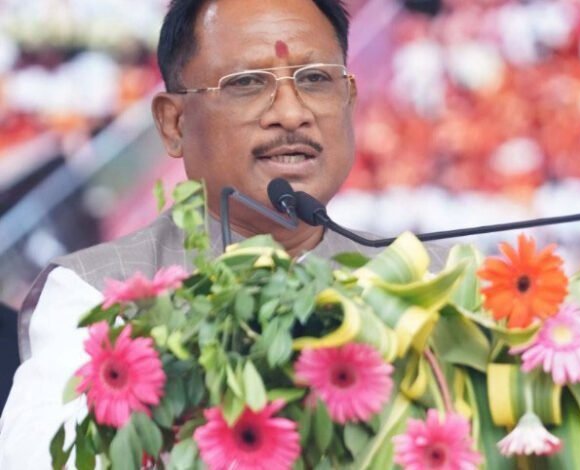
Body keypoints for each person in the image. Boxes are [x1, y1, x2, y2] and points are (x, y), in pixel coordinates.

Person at [0, 0, 446, 466]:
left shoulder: (428, 286)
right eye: (247, 82)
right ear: (174, 123)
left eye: (315, 78)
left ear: (349, 100)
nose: (291, 113)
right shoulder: (91, 298)